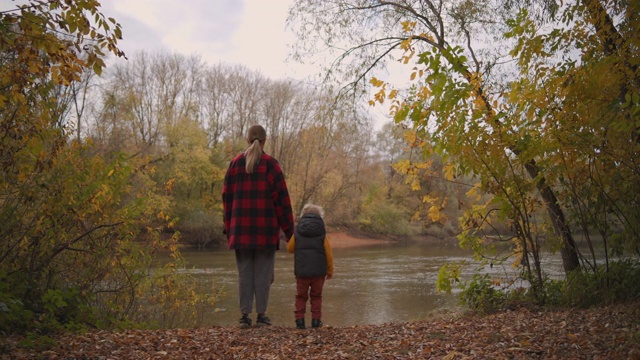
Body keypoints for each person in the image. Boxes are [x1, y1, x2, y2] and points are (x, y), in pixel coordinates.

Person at [222, 124, 295, 328]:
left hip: (240, 230)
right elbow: (282, 201)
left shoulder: (234, 165)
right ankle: (262, 315)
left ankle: (244, 316)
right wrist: (290, 232)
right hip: (265, 232)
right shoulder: (271, 165)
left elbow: (226, 199)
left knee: (244, 274)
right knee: (263, 275)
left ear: (247, 140)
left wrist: (229, 229)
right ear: (264, 141)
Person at [287, 203, 334, 329]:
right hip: (319, 273)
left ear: (303, 216)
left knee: (301, 296)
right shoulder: (322, 234)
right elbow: (328, 254)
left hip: (302, 271)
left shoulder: (298, 232)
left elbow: (290, 249)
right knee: (316, 296)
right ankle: (316, 322)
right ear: (320, 217)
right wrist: (330, 271)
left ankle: (300, 322)